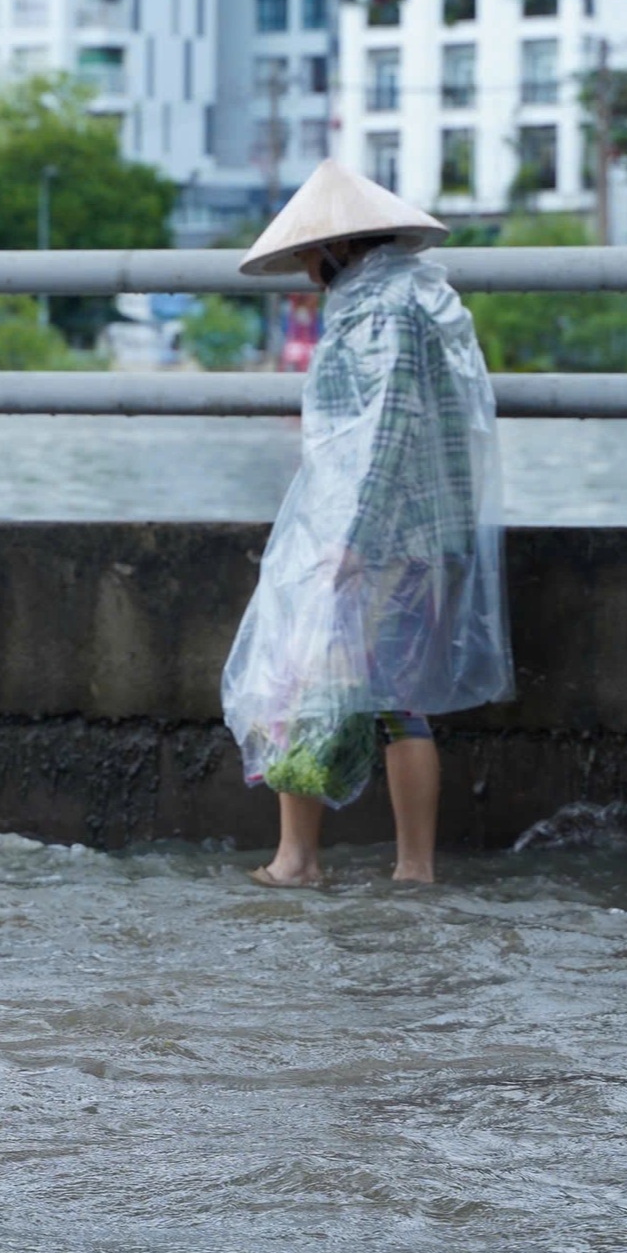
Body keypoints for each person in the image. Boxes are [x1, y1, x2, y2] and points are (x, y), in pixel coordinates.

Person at [220, 159, 514, 885]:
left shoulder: (382, 309)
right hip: (416, 533)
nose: (303, 272)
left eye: (306, 257)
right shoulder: (410, 296)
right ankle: (345, 863)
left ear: (335, 247)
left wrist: (353, 536)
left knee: (349, 693)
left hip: (385, 537)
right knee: (359, 692)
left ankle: (338, 864)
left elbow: (385, 428)